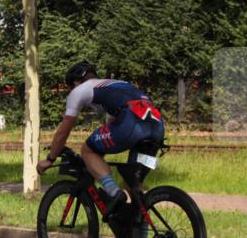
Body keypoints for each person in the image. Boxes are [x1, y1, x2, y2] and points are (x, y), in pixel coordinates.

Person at [37, 61, 164, 217]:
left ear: (76, 82)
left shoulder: (80, 90)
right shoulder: (114, 86)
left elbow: (64, 130)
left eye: (71, 86)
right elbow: (111, 129)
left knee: (88, 150)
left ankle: (114, 192)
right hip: (157, 128)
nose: (71, 91)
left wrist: (50, 158)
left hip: (132, 125)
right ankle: (139, 236)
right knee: (133, 188)